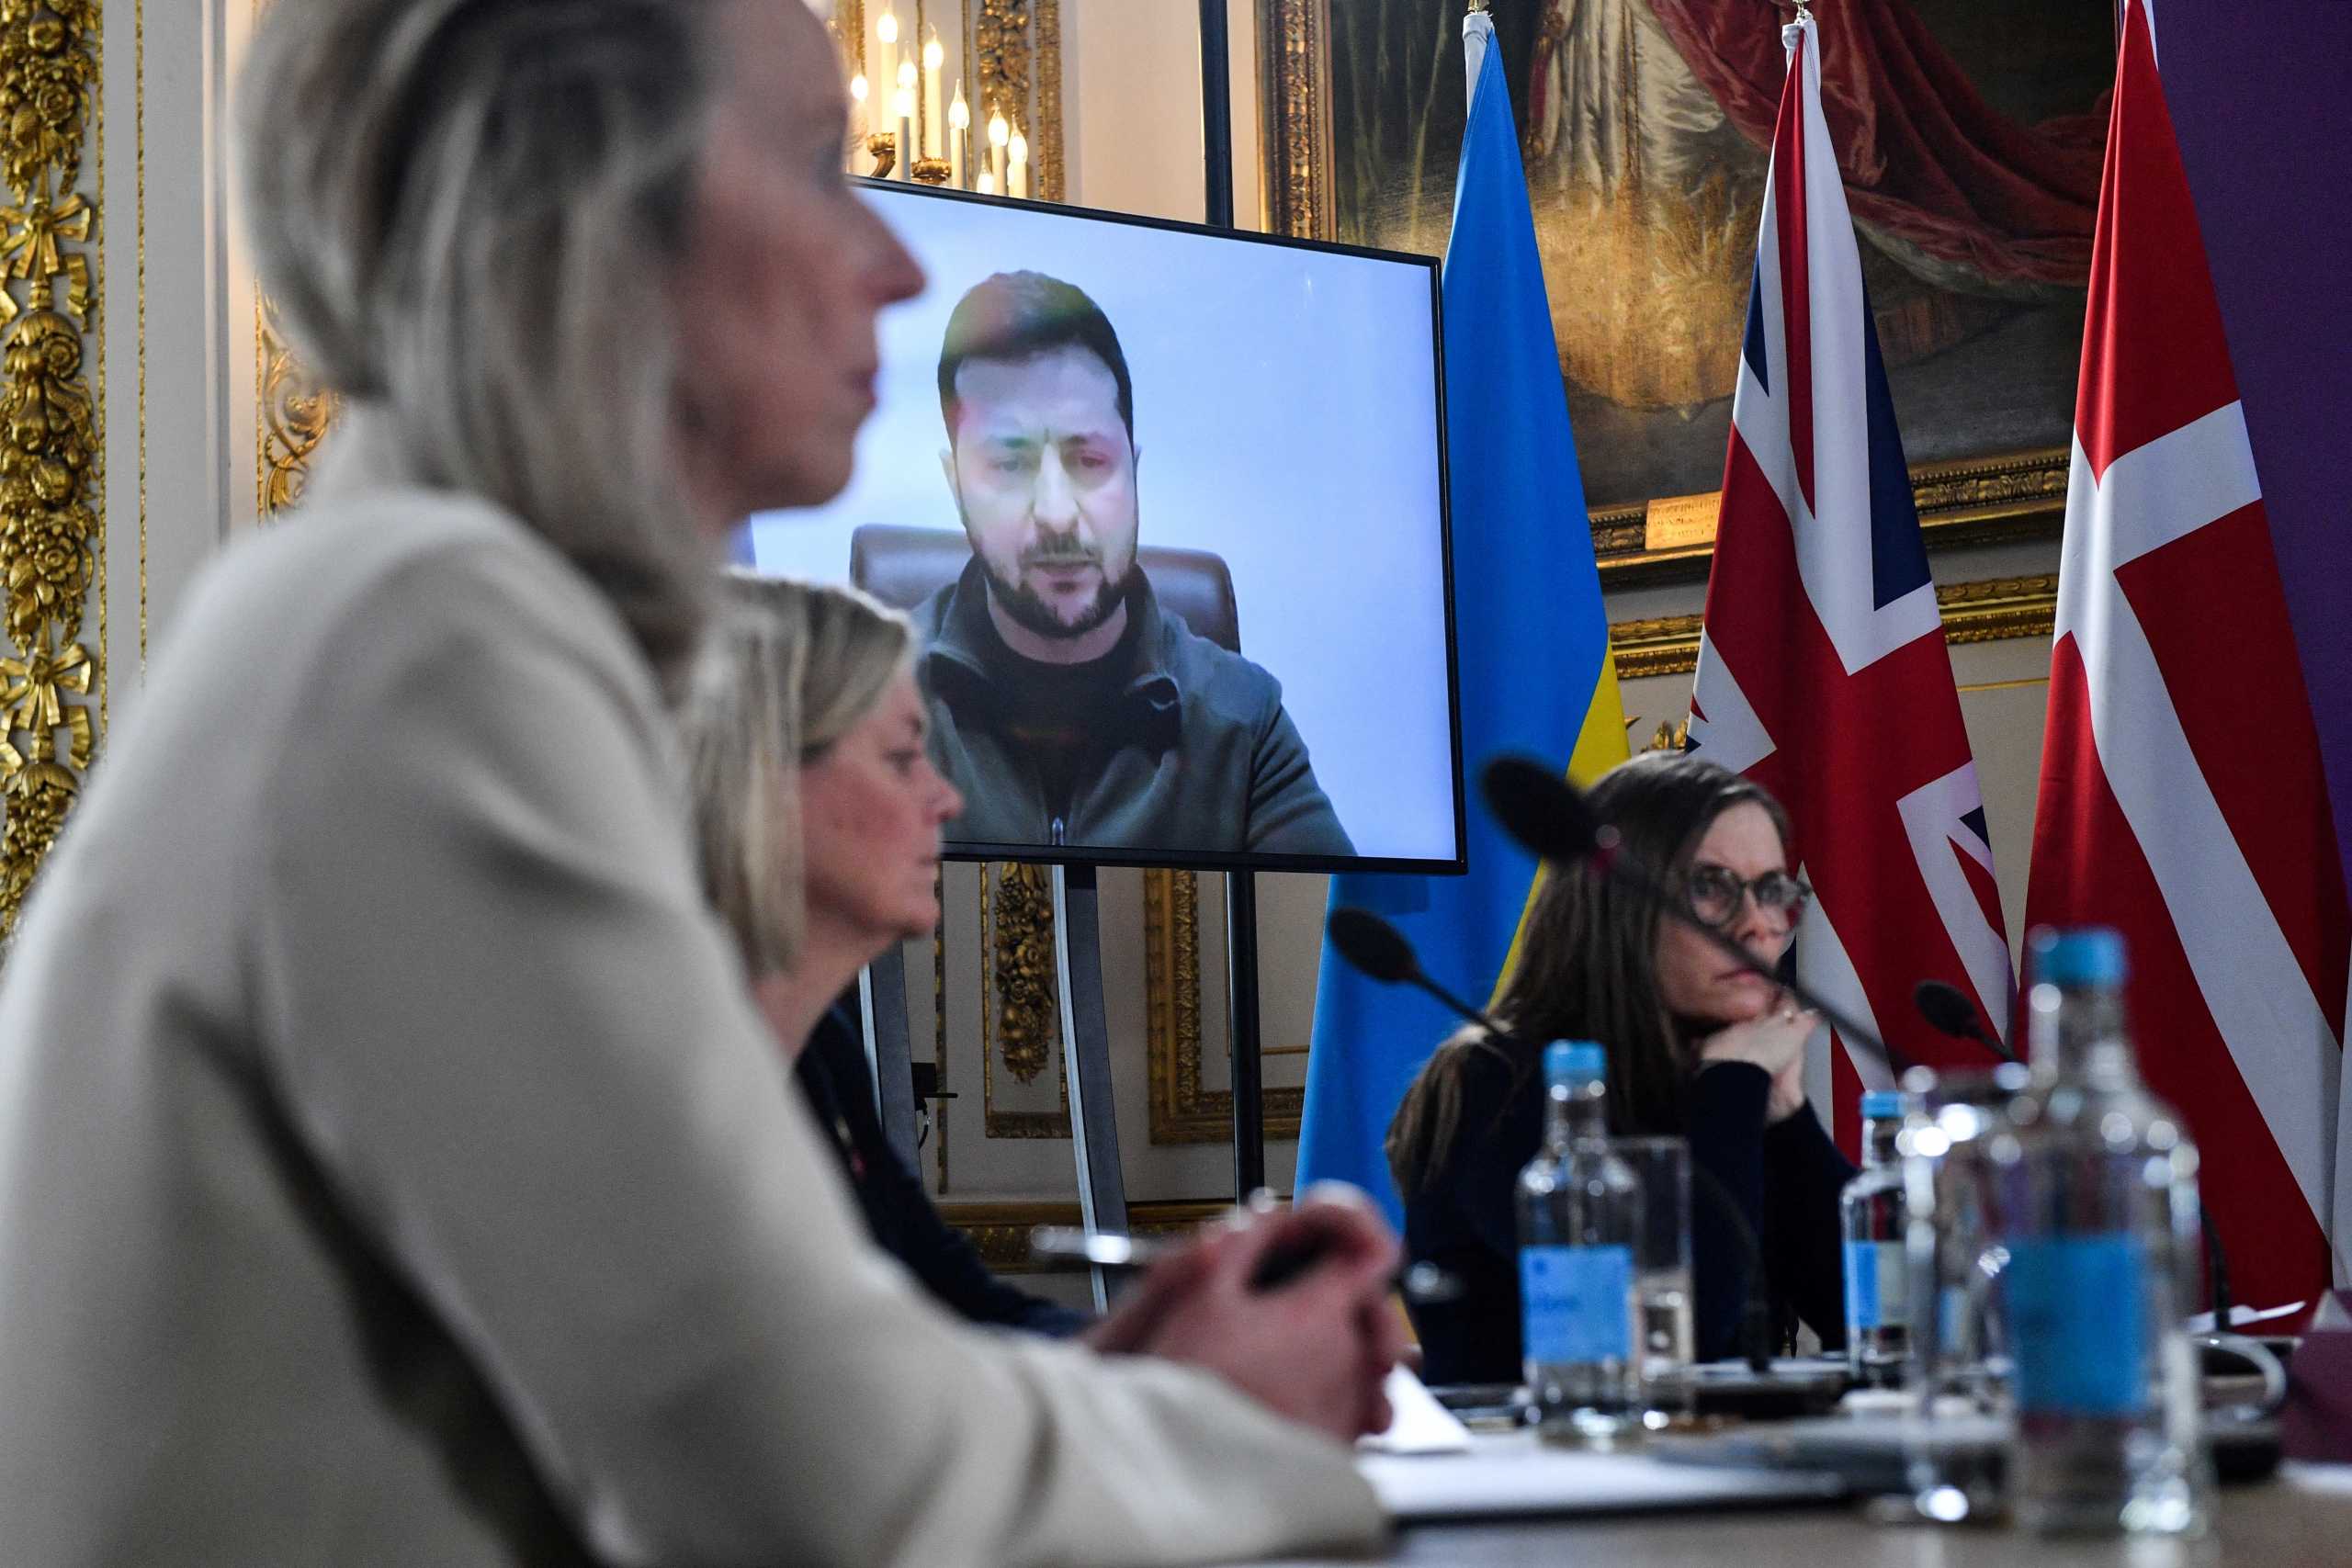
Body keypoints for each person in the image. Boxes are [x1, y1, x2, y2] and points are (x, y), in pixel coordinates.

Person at [0, 3, 1404, 1563]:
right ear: (585, 220)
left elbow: (771, 1399)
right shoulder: (424, 643)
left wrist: (1130, 1381)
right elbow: (818, 1491)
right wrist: (1222, 1416)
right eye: (819, 163)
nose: (894, 263)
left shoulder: (404, 609)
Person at [679, 572, 1086, 1337]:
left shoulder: (822, 1051)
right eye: (903, 758)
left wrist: (1190, 1345)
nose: (947, 799)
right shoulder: (669, 1083)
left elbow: (960, 1312)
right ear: (762, 779)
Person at [1386, 751, 1853, 1383]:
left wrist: (1785, 1114)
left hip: (1718, 1468)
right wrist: (1735, 1086)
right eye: (1711, 887)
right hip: (1542, 1470)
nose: (1758, 926)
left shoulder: (1718, 1067)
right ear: (1617, 902)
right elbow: (1668, 1342)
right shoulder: (1495, 1080)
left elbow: (1875, 1319)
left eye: (1773, 890)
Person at [910, 268, 1354, 857]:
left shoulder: (1243, 725)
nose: (1057, 513)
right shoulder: (857, 705)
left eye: (1089, 460)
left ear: (1132, 469)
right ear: (956, 484)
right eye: (1009, 466)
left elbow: (1341, 940)